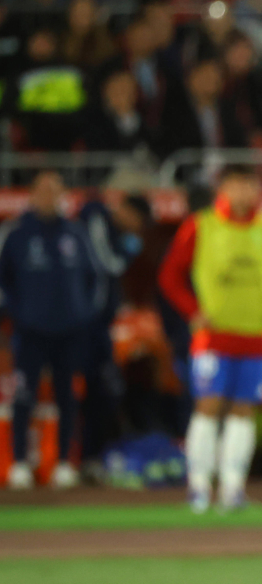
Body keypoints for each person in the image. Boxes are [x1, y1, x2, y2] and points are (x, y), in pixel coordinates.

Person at [158, 165, 262, 512]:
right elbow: (169, 275)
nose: (243, 192)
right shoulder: (201, 225)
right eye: (236, 185)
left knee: (244, 411)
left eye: (249, 185)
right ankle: (198, 488)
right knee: (208, 406)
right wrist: (192, 310)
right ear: (222, 189)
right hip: (213, 335)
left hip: (257, 335)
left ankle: (232, 489)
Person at [0, 170, 98, 490]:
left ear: (63, 196)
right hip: (30, 332)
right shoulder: (16, 234)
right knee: (23, 396)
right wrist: (18, 315)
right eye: (42, 191)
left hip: (70, 331)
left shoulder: (76, 233)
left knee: (67, 396)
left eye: (54, 192)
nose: (48, 198)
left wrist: (83, 314)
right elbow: (4, 282)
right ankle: (18, 464)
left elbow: (94, 278)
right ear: (31, 195)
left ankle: (64, 464)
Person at [77, 191, 152, 480]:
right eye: (138, 221)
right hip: (80, 324)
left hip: (99, 326)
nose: (137, 229)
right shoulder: (95, 216)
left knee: (105, 390)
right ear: (125, 209)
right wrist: (127, 249)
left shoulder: (113, 231)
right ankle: (70, 459)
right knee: (76, 391)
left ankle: (92, 457)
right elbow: (108, 263)